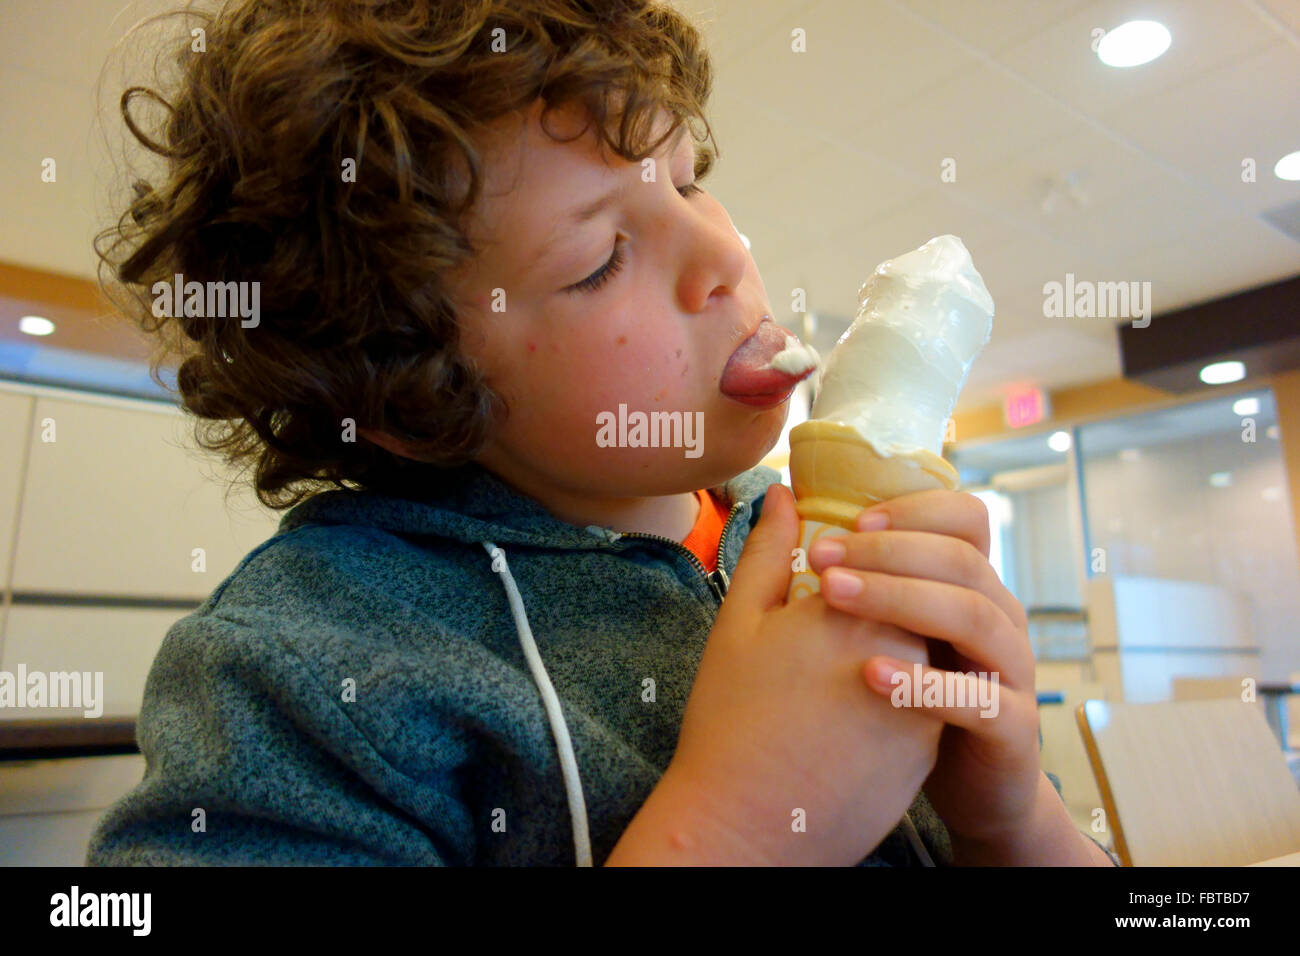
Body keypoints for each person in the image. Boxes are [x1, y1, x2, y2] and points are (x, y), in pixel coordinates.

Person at [87, 0, 1116, 866]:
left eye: (685, 178)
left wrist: (1013, 814)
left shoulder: (811, 533)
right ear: (413, 394)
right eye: (596, 259)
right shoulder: (305, 668)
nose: (720, 249)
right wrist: (734, 827)